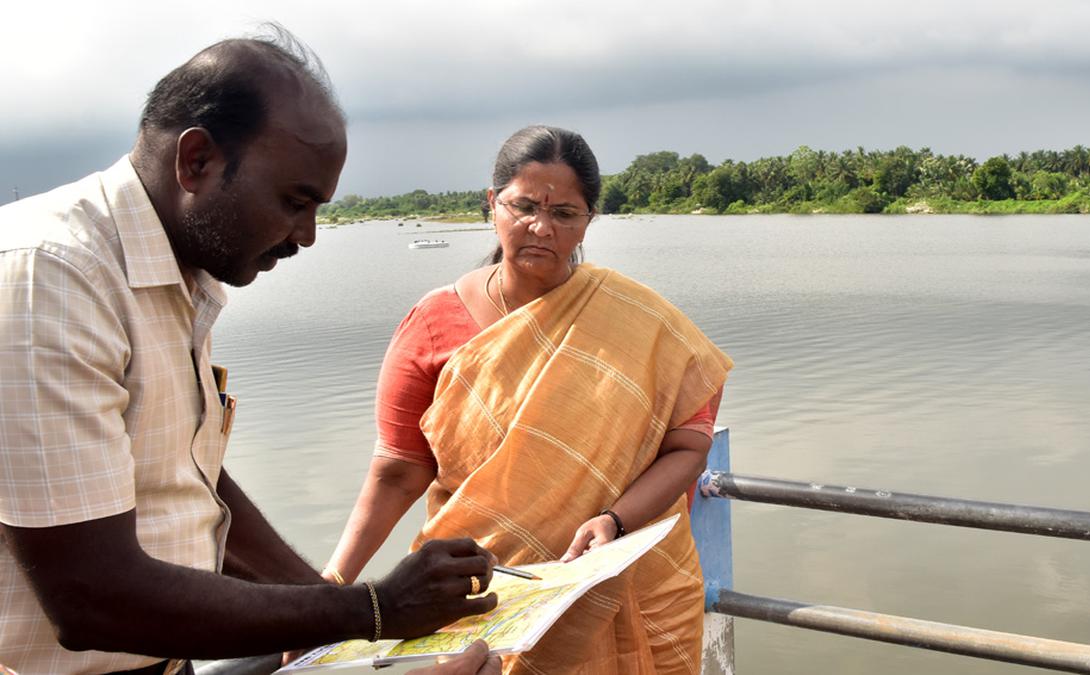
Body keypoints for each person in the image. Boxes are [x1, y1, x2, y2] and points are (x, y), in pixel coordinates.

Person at [0, 28, 500, 675]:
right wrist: (371, 610)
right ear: (197, 161)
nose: (309, 235)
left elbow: (198, 486)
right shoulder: (55, 277)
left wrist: (339, 608)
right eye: (295, 202)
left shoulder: (182, 271)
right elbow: (89, 595)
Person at [323, 125, 733, 673]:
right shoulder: (434, 324)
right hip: (482, 590)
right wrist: (330, 590)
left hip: (626, 575)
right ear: (492, 204)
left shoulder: (638, 319)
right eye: (523, 207)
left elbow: (689, 445)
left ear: (589, 220)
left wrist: (614, 519)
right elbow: (398, 470)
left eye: (565, 214)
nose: (541, 227)